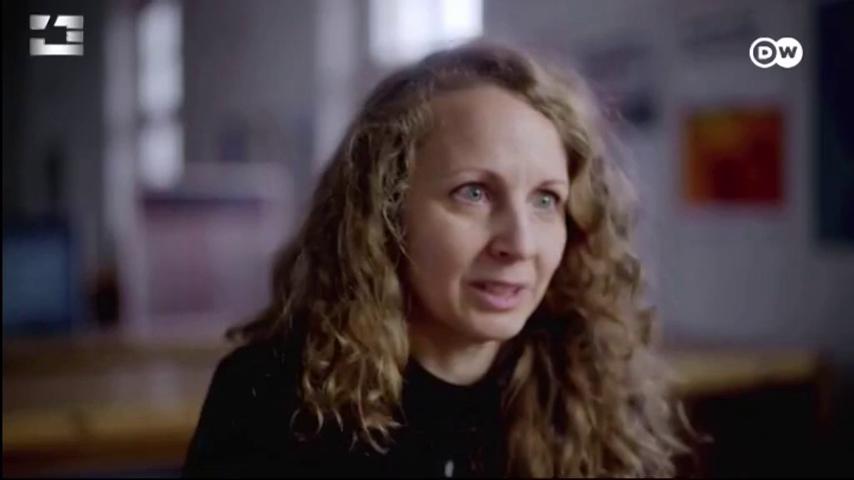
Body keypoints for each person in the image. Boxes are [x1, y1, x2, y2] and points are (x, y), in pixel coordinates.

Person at [183, 42, 691, 478]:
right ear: (385, 210)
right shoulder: (266, 398)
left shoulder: (589, 392)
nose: (519, 244)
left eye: (545, 200)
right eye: (474, 193)